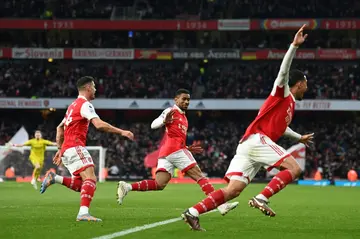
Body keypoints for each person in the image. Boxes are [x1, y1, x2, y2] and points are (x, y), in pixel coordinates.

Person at [181, 25, 314, 231]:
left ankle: (193, 212)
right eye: (306, 82)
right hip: (257, 140)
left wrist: (298, 138)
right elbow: (283, 72)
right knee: (294, 168)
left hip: (248, 145)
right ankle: (262, 198)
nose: (308, 86)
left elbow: (281, 129)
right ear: (299, 83)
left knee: (233, 190)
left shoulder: (290, 105)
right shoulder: (282, 93)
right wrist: (294, 46)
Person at [116, 89, 238, 216]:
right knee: (200, 176)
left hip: (168, 152)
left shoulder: (184, 118)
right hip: (174, 150)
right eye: (183, 99)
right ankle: (221, 205)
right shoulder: (171, 111)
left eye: (188, 100)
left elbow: (176, 135)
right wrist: (164, 121)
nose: (186, 102)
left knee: (159, 183)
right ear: (176, 99)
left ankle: (128, 187)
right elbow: (153, 124)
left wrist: (186, 147)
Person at [39, 76, 134, 222]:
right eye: (94, 87)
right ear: (88, 88)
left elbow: (60, 128)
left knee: (81, 185)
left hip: (67, 149)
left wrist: (60, 148)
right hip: (75, 147)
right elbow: (99, 125)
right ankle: (83, 213)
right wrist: (122, 132)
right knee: (91, 179)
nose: (96, 90)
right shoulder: (85, 105)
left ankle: (54, 178)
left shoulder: (72, 106)